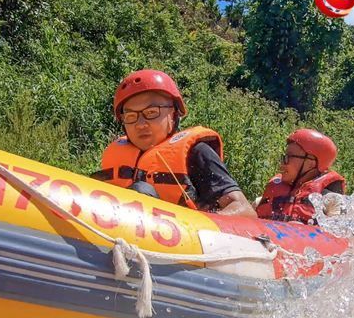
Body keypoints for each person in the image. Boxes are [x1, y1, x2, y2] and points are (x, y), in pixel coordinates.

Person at [92, 69, 256, 218]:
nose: (140, 124)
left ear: (173, 114)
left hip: (184, 241)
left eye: (151, 112)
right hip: (121, 237)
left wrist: (193, 227)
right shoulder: (118, 153)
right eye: (131, 116)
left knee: (142, 191)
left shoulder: (197, 153)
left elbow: (244, 210)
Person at [255, 128, 346, 224]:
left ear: (310, 163)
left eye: (288, 157)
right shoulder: (268, 196)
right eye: (283, 158)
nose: (282, 164)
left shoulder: (331, 202)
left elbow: (340, 234)